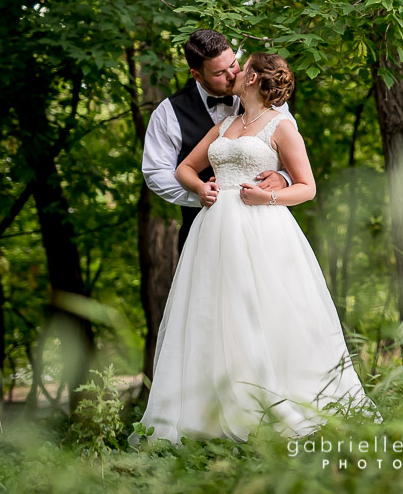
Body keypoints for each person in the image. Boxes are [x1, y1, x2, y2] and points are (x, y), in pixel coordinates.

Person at [135, 53, 378, 443]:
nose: (234, 70)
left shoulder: (282, 125)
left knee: (266, 310)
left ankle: (275, 402)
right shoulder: (225, 125)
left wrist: (268, 196)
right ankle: (211, 414)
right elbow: (184, 168)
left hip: (263, 229)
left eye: (240, 65)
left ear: (251, 78)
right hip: (213, 232)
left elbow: (307, 187)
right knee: (212, 314)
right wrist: (200, 188)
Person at [141, 29, 294, 251]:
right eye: (219, 73)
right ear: (197, 75)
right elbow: (156, 172)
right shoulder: (168, 113)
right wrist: (200, 194)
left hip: (265, 230)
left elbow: (296, 160)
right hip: (203, 233)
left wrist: (284, 179)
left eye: (233, 64)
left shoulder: (272, 100)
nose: (232, 75)